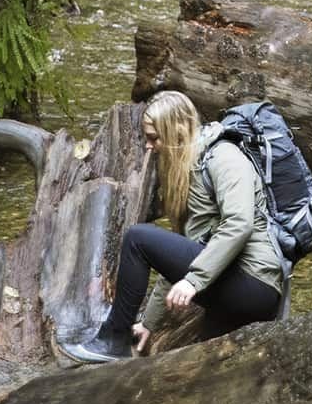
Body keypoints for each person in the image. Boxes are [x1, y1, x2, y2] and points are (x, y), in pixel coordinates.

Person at [61, 90, 287, 363]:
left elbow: (239, 224)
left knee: (137, 238)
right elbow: (176, 259)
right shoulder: (192, 167)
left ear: (177, 131)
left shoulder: (224, 157)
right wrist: (149, 323)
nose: (149, 145)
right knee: (208, 369)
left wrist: (194, 280)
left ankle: (113, 339)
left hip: (255, 286)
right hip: (229, 289)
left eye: (154, 137)